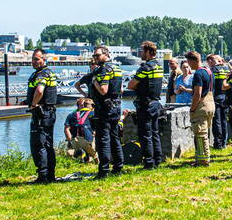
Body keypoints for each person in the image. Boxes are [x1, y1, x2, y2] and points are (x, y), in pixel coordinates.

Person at [128, 41, 165, 169]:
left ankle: (149, 162)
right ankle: (158, 159)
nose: (140, 53)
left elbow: (131, 85)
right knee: (154, 133)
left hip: (145, 105)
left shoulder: (145, 68)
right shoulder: (158, 66)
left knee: (145, 134)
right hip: (155, 103)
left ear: (148, 52)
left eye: (142, 51)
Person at [90, 45, 124, 178]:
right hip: (116, 107)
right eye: (94, 56)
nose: (95, 58)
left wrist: (94, 82)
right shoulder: (117, 68)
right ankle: (118, 166)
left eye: (97, 55)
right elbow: (121, 90)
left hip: (104, 109)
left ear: (106, 55)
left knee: (103, 139)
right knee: (115, 137)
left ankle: (103, 171)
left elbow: (103, 90)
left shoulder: (104, 70)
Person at [26, 48, 58, 184]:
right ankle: (50, 174)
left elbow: (39, 90)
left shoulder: (42, 74)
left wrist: (33, 104)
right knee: (48, 143)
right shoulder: (47, 73)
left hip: (41, 113)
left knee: (39, 144)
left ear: (44, 60)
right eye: (33, 58)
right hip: (49, 112)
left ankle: (43, 176)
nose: (34, 61)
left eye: (37, 59)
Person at [187, 51, 215, 166]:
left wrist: (192, 109)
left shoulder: (198, 73)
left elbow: (197, 94)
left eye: (189, 62)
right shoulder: (208, 71)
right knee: (206, 133)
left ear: (193, 61)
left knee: (200, 134)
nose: (189, 64)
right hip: (211, 103)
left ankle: (203, 160)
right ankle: (202, 158)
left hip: (202, 105)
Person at [208, 54, 232, 149]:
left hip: (216, 98)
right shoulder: (227, 69)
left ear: (212, 61)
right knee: (224, 121)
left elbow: (211, 85)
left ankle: (218, 143)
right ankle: (224, 143)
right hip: (225, 97)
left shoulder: (213, 70)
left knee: (217, 121)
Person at [64, 97, 96, 163]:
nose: (82, 106)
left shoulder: (74, 114)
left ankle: (84, 156)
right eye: (81, 105)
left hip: (85, 139)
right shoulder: (73, 114)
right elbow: (66, 129)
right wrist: (70, 140)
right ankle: (84, 156)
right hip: (78, 139)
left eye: (83, 104)